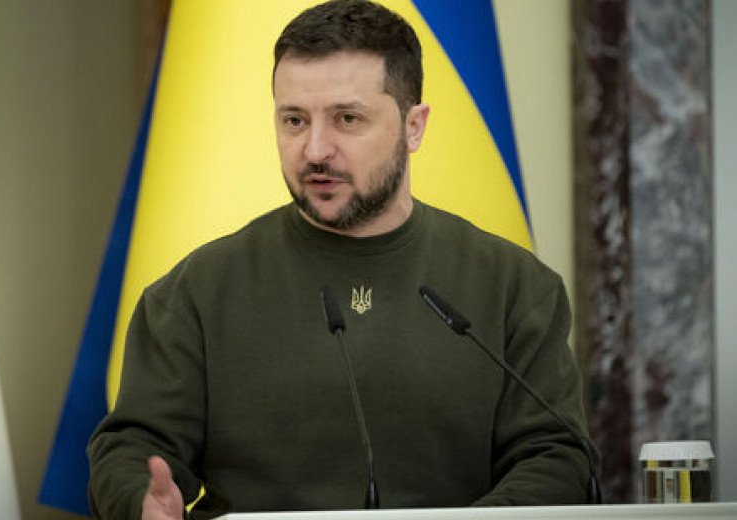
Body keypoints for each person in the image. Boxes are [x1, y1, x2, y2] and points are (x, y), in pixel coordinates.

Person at [87, 1, 595, 519]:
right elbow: (132, 449)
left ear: (414, 126)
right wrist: (138, 498)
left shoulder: (513, 285)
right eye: (294, 120)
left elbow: (555, 457)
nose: (315, 150)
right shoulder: (198, 291)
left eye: (347, 119)